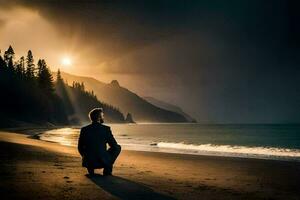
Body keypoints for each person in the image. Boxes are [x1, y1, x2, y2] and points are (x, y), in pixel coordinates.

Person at [78, 108, 121, 176]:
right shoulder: (106, 129)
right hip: (102, 162)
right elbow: (114, 145)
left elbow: (80, 147)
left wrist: (86, 157)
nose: (103, 117)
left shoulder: (84, 129)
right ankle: (107, 169)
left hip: (88, 162)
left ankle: (90, 168)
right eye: (102, 116)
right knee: (118, 147)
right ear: (99, 117)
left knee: (91, 151)